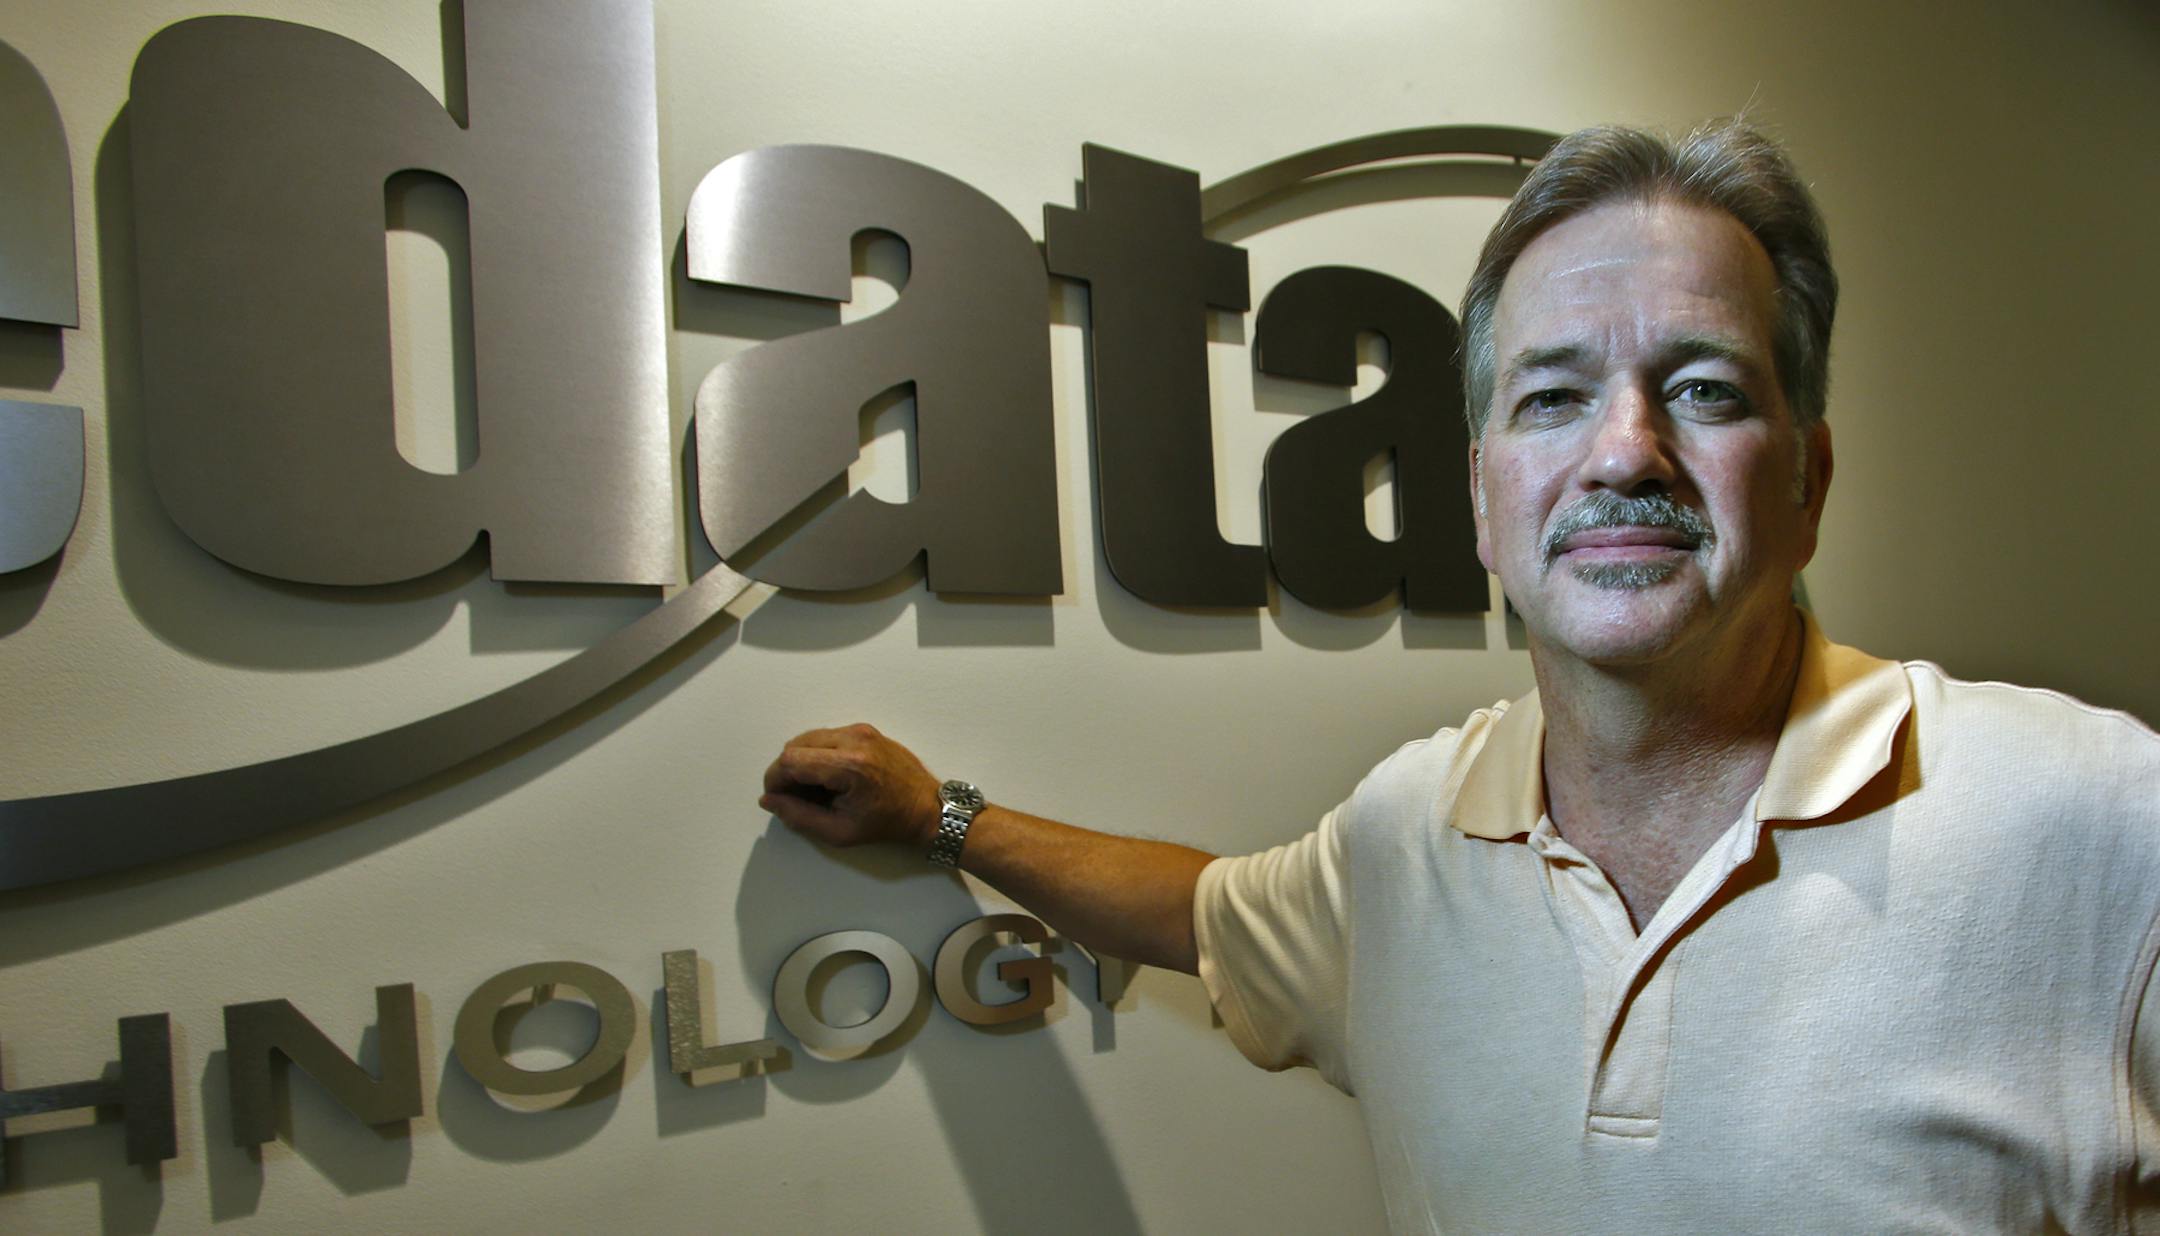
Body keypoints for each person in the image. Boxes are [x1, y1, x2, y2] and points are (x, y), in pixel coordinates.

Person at [759, 119, 2160, 1231]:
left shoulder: (2097, 823)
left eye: (1706, 389)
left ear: (1809, 481)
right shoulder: (1408, 832)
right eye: (1552, 396)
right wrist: (935, 814)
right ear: (1485, 496)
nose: (1624, 453)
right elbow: (1198, 912)